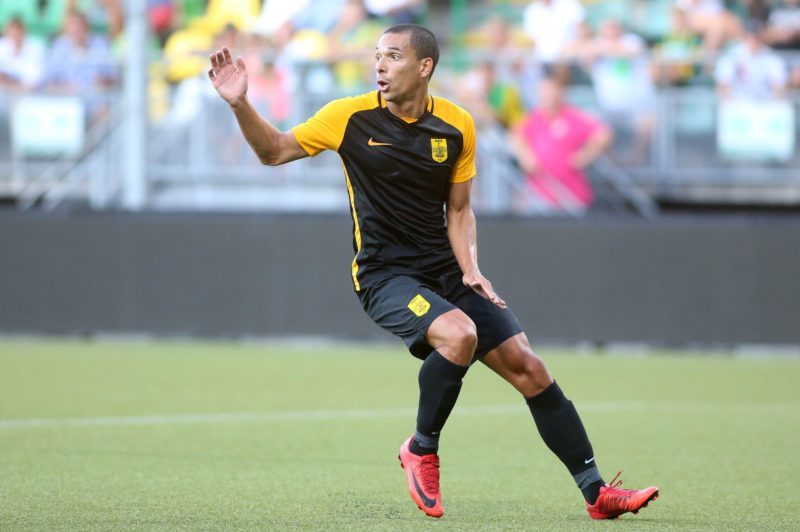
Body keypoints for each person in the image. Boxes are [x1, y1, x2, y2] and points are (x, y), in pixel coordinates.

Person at [207, 24, 657, 520]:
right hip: (385, 276)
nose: (380, 66)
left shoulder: (457, 124)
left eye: (392, 56)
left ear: (425, 67)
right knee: (458, 335)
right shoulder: (347, 117)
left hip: (446, 272)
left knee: (530, 368)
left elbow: (459, 210)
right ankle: (420, 449)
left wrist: (471, 269)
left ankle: (596, 493)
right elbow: (273, 151)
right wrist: (240, 103)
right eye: (377, 56)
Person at [510, 77, 612, 214]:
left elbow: (603, 133)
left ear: (559, 93)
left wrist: (586, 155)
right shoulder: (534, 117)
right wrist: (525, 155)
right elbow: (516, 135)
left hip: (571, 196)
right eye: (544, 93)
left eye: (551, 92)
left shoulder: (572, 116)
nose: (548, 97)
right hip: (539, 196)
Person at [715, 20, 788, 101]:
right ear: (744, 36)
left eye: (756, 35)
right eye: (749, 35)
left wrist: (777, 101)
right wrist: (727, 101)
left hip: (765, 102)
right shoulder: (730, 56)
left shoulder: (772, 58)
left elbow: (779, 87)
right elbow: (723, 85)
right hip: (737, 102)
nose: (752, 38)